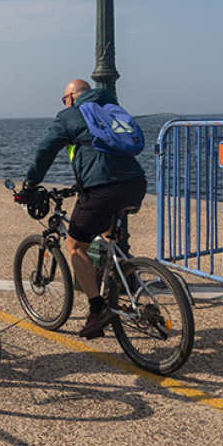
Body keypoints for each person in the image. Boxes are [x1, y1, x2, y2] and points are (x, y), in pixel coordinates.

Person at [21, 79, 146, 339]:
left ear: (71, 97)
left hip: (102, 188)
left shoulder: (70, 115)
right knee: (106, 229)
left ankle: (97, 309)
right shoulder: (110, 109)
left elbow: (45, 151)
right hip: (135, 183)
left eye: (64, 99)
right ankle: (117, 278)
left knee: (75, 246)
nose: (65, 103)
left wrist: (30, 184)